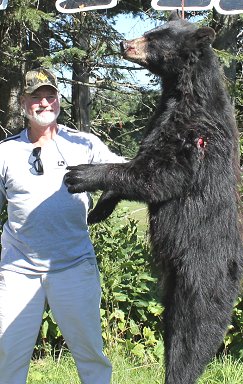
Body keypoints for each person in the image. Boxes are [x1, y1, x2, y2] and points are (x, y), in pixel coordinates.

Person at [0, 67, 124, 384]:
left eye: (50, 95)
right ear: (23, 103)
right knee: (7, 357)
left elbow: (128, 174)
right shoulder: (6, 152)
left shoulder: (83, 144)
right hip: (18, 269)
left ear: (59, 100)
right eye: (36, 97)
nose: (44, 103)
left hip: (73, 265)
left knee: (91, 354)